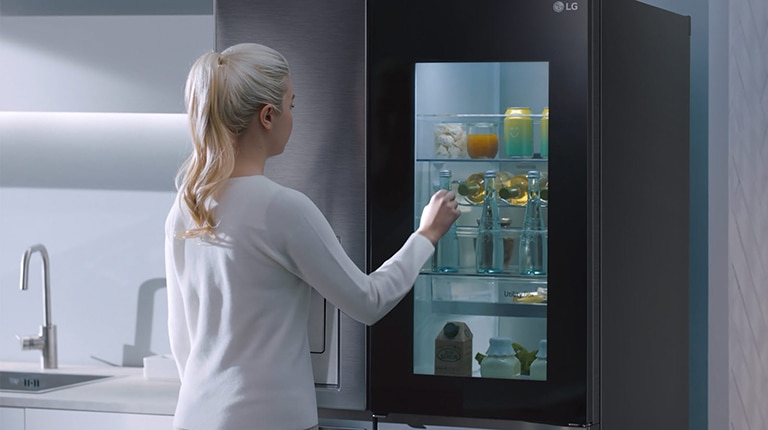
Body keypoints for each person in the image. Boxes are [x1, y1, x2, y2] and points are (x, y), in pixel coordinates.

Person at [164, 43, 460, 430]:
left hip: (194, 416)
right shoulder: (282, 208)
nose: (293, 115)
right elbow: (369, 301)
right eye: (292, 104)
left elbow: (181, 339)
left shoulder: (186, 206)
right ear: (267, 116)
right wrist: (427, 234)